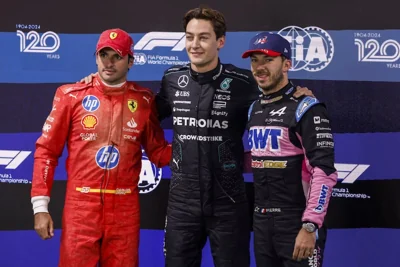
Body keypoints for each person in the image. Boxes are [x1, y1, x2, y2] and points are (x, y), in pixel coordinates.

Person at [79, 7, 314, 267]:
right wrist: (101, 86)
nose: (194, 44)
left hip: (229, 201)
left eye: (203, 37)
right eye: (189, 37)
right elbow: (144, 112)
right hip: (182, 203)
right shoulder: (172, 78)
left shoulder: (243, 81)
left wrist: (298, 95)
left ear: (220, 41)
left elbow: (275, 97)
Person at [31, 28, 172, 267]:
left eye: (117, 56)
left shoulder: (144, 100)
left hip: (125, 210)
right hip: (81, 208)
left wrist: (193, 144)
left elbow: (159, 153)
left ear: (131, 61)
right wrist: (40, 208)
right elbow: (46, 152)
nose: (109, 62)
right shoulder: (71, 95)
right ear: (96, 57)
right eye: (103, 55)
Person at [243, 31, 338, 266]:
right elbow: (260, 158)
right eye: (254, 60)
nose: (259, 67)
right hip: (262, 222)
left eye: (268, 60)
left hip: (297, 221)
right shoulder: (254, 108)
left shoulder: (306, 107)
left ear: (287, 64)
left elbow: (324, 171)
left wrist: (310, 225)